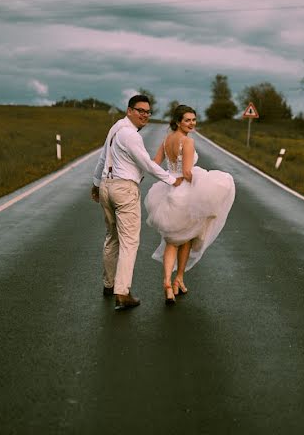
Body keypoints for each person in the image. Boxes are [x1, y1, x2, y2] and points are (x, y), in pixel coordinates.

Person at [91, 94, 183, 311]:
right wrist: (172, 180)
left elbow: (103, 158)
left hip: (106, 185)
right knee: (129, 242)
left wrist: (96, 183)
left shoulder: (116, 127)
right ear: (129, 110)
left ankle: (109, 284)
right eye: (140, 110)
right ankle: (122, 293)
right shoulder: (131, 135)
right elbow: (147, 164)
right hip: (124, 188)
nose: (144, 115)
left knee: (112, 237)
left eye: (148, 112)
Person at [144, 105, 235, 305]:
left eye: (194, 119)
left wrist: (167, 179)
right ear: (178, 122)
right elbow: (186, 172)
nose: (192, 123)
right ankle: (179, 279)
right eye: (187, 120)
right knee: (185, 240)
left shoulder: (166, 140)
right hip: (184, 193)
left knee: (171, 241)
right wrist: (207, 184)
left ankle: (169, 283)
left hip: (168, 192)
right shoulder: (187, 141)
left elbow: (153, 164)